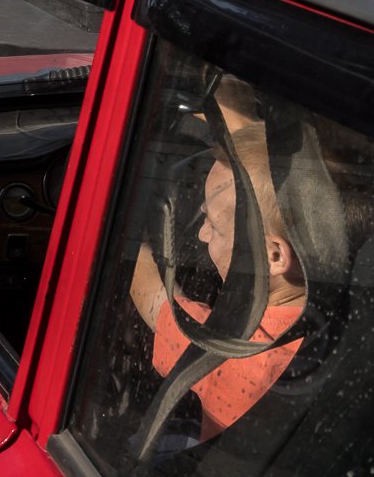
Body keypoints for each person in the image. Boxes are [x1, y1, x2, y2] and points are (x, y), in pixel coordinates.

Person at [129, 124, 305, 440]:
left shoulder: (234, 353)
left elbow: (149, 294)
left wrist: (126, 229)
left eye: (213, 225)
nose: (201, 233)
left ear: (274, 255)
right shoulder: (349, 305)